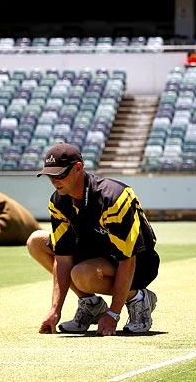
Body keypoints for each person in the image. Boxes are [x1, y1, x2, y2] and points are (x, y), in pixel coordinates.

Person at [28, 143, 160, 336]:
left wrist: (113, 314)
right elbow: (63, 258)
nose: (55, 181)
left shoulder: (113, 197)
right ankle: (91, 305)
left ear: (78, 168)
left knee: (82, 274)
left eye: (60, 174)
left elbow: (127, 258)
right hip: (98, 254)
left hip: (138, 262)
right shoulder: (58, 202)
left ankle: (138, 298)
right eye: (50, 176)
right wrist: (55, 310)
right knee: (36, 242)